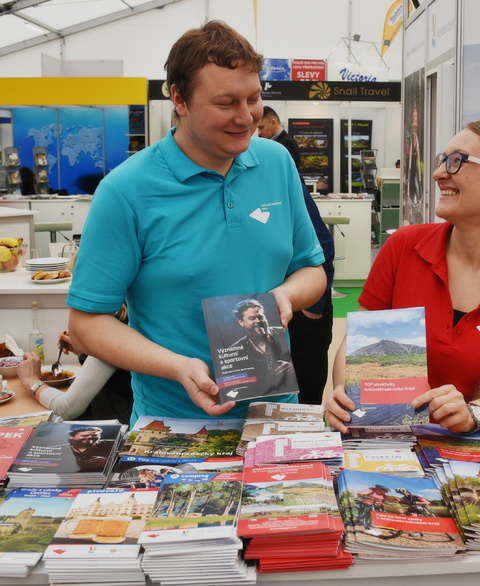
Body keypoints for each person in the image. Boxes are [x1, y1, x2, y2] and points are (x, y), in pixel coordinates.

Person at [66, 20, 326, 423]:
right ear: (180, 99)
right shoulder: (126, 191)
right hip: (174, 426)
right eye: (226, 103)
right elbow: (86, 325)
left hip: (274, 415)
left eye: (254, 98)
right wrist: (176, 366)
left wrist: (286, 297)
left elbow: (311, 268)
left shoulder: (276, 164)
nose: (246, 117)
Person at [325, 119, 480, 435]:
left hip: (477, 456)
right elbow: (356, 348)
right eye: (443, 160)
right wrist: (348, 396)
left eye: (458, 162)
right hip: (388, 440)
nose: (440, 173)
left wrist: (473, 414)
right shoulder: (403, 246)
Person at [257, 110, 336, 405]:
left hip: (300, 312)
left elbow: (321, 244)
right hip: (264, 320)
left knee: (304, 400)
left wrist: (313, 305)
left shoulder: (275, 167)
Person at [17, 308, 133, 422]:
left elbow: (66, 409)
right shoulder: (126, 315)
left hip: (118, 425)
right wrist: (88, 351)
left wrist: (31, 381)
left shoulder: (114, 327)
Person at [231, 298, 295, 394]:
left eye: (261, 317)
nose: (258, 321)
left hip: (286, 395)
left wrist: (292, 368)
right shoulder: (235, 349)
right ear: (241, 322)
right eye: (252, 318)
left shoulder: (281, 332)